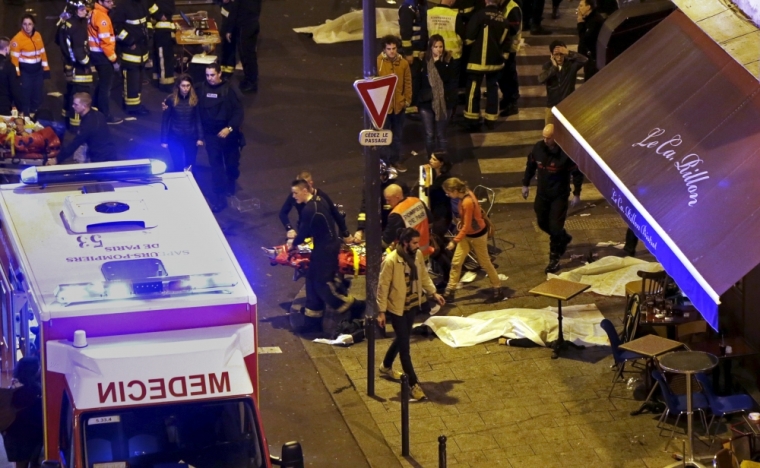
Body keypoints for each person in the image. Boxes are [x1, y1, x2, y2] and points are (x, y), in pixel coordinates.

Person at [377, 227, 445, 402]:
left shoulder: (417, 256)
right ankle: (413, 385)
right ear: (405, 242)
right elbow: (382, 287)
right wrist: (381, 311)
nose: (417, 245)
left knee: (403, 337)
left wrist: (433, 293)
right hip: (397, 307)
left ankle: (385, 366)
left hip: (412, 304)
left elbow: (423, 275)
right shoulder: (391, 261)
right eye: (414, 242)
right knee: (405, 348)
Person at [290, 179, 363, 331]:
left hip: (326, 250)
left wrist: (293, 243)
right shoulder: (320, 199)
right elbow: (332, 217)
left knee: (322, 285)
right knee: (311, 281)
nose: (294, 196)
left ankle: (353, 306)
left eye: (296, 193)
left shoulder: (309, 209)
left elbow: (303, 233)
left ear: (305, 191)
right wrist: (344, 233)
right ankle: (312, 323)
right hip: (326, 246)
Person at [521, 124, 583, 273]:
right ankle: (563, 237)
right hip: (542, 194)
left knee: (555, 227)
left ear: (556, 139)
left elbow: (577, 174)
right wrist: (525, 184)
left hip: (559, 196)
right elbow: (530, 166)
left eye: (548, 138)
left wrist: (576, 193)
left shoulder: (566, 154)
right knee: (542, 223)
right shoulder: (538, 149)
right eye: (544, 137)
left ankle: (554, 258)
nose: (545, 140)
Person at [442, 177, 503, 301]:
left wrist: (455, 241)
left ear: (454, 190)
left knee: (485, 262)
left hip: (476, 236)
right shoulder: (466, 193)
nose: (447, 195)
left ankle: (497, 287)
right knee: (456, 262)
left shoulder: (467, 202)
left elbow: (467, 225)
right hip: (468, 235)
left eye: (448, 192)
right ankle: (451, 289)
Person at [197, 63, 244, 212]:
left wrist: (229, 128)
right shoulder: (201, 89)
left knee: (231, 164)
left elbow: (238, 113)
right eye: (207, 75)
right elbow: (183, 96)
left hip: (229, 134)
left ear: (219, 74)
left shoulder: (230, 90)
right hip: (211, 135)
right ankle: (219, 197)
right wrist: (167, 103)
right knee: (216, 166)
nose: (209, 78)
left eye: (212, 75)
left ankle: (231, 183)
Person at [463, 0, 508, 131]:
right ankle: (491, 119)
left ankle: (472, 119)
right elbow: (504, 42)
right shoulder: (503, 20)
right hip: (495, 62)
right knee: (493, 89)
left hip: (477, 60)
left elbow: (469, 37)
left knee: (472, 89)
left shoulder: (479, 15)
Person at [377, 35, 412, 173]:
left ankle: (395, 160)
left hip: (398, 106)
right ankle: (385, 162)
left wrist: (407, 100)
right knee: (384, 136)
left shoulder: (403, 64)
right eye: (389, 49)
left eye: (394, 48)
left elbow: (408, 83)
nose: (391, 51)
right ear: (384, 49)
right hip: (384, 108)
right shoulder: (378, 62)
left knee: (397, 136)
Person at [417, 35, 456, 156]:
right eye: (435, 47)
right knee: (429, 135)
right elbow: (417, 81)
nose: (438, 49)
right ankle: (431, 159)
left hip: (444, 102)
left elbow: (448, 78)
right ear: (430, 47)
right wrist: (416, 100)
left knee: (441, 134)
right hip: (426, 103)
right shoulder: (423, 61)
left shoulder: (449, 61)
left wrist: (439, 63)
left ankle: (443, 161)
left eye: (441, 46)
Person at [111, 0, 151, 116]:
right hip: (130, 50)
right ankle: (131, 107)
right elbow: (116, 27)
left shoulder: (142, 3)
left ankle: (136, 104)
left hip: (142, 49)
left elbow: (146, 21)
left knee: (138, 80)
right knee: (131, 80)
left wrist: (149, 34)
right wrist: (129, 41)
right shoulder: (122, 6)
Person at [57, 1, 93, 128]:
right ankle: (77, 125)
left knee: (70, 92)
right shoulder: (76, 26)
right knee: (80, 95)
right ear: (74, 10)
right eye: (82, 9)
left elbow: (59, 41)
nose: (85, 11)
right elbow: (78, 51)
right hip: (79, 67)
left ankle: (67, 117)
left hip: (69, 64)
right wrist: (88, 64)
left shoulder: (66, 23)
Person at [2, 357, 43, 468]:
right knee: (35, 462)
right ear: (33, 371)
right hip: (30, 437)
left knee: (21, 465)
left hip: (13, 436)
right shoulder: (36, 391)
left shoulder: (15, 386)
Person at [354, 161, 409, 242]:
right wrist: (360, 229)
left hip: (397, 223)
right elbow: (365, 207)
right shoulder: (369, 187)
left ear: (384, 175)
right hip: (380, 225)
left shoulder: (398, 186)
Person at [279, 170, 342, 240]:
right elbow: (283, 213)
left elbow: (335, 213)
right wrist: (289, 228)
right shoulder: (295, 195)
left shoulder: (321, 196)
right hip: (304, 230)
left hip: (322, 232)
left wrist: (346, 233)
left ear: (311, 183)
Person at [55, 92, 116, 164]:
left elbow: (74, 144)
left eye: (76, 104)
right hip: (111, 154)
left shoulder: (88, 123)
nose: (73, 106)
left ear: (84, 106)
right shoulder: (98, 114)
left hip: (100, 160)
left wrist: (57, 159)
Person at [88, 0, 122, 124]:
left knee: (102, 84)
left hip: (96, 54)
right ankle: (105, 115)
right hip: (103, 56)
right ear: (100, 1)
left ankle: (96, 108)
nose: (112, 2)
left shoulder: (94, 13)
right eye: (108, 1)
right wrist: (114, 60)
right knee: (105, 87)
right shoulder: (102, 17)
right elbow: (105, 43)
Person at [160, 75, 203, 172]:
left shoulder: (195, 99)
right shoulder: (170, 100)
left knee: (190, 164)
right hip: (175, 137)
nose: (186, 88)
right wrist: (164, 139)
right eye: (183, 85)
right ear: (178, 86)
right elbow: (165, 120)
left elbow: (198, 119)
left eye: (188, 86)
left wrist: (200, 137)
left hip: (191, 136)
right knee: (177, 164)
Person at [538, 40, 587, 125]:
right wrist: (554, 68)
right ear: (552, 55)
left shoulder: (570, 65)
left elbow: (584, 60)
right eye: (556, 54)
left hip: (568, 106)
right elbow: (541, 79)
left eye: (561, 54)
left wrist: (569, 52)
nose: (559, 57)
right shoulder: (548, 66)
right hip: (552, 106)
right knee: (549, 133)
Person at [10, 15, 49, 117]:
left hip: (37, 71)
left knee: (37, 95)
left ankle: (34, 116)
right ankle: (26, 118)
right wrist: (17, 76)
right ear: (22, 25)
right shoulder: (17, 40)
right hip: (25, 72)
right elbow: (14, 61)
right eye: (25, 24)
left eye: (30, 24)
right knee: (25, 96)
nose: (27, 27)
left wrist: (46, 69)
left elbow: (42, 53)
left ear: (33, 25)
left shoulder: (38, 36)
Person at [381, 184, 433, 258]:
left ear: (397, 197)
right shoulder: (417, 201)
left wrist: (375, 253)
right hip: (425, 251)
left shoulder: (396, 214)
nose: (387, 203)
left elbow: (386, 240)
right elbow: (430, 222)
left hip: (410, 256)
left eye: (388, 200)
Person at [426, 0, 465, 88]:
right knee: (452, 84)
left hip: (434, 54)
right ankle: (450, 102)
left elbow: (425, 33)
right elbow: (463, 34)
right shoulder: (454, 15)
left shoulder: (429, 13)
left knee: (434, 82)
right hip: (452, 56)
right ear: (451, 1)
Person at [225, 0, 261, 93]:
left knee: (245, 55)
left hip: (243, 27)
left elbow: (235, 10)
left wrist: (229, 29)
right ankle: (252, 78)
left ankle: (251, 82)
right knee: (251, 54)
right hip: (253, 23)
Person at [497, 0, 522, 117]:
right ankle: (507, 98)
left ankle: (512, 102)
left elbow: (513, 29)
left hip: (509, 48)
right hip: (502, 47)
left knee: (509, 75)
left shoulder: (512, 8)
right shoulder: (501, 6)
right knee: (502, 75)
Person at [150, 0, 176, 92]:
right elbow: (150, 4)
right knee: (165, 57)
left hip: (163, 29)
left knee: (163, 57)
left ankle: (159, 79)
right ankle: (166, 84)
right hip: (162, 31)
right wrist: (159, 14)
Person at [576, 0, 605, 81]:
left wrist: (580, 23)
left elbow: (584, 39)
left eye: (581, 6)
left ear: (588, 7)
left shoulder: (595, 21)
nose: (578, 8)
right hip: (587, 58)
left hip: (592, 59)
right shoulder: (588, 18)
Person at [0, 37, 23, 115]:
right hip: (3, 107)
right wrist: (20, 108)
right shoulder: (9, 66)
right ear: (7, 49)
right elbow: (15, 89)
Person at [218, 0, 238, 77]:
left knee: (230, 49)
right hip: (224, 30)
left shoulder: (233, 6)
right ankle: (223, 67)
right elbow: (224, 20)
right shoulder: (222, 4)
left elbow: (232, 20)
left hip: (231, 32)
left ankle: (229, 69)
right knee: (224, 49)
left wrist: (229, 31)